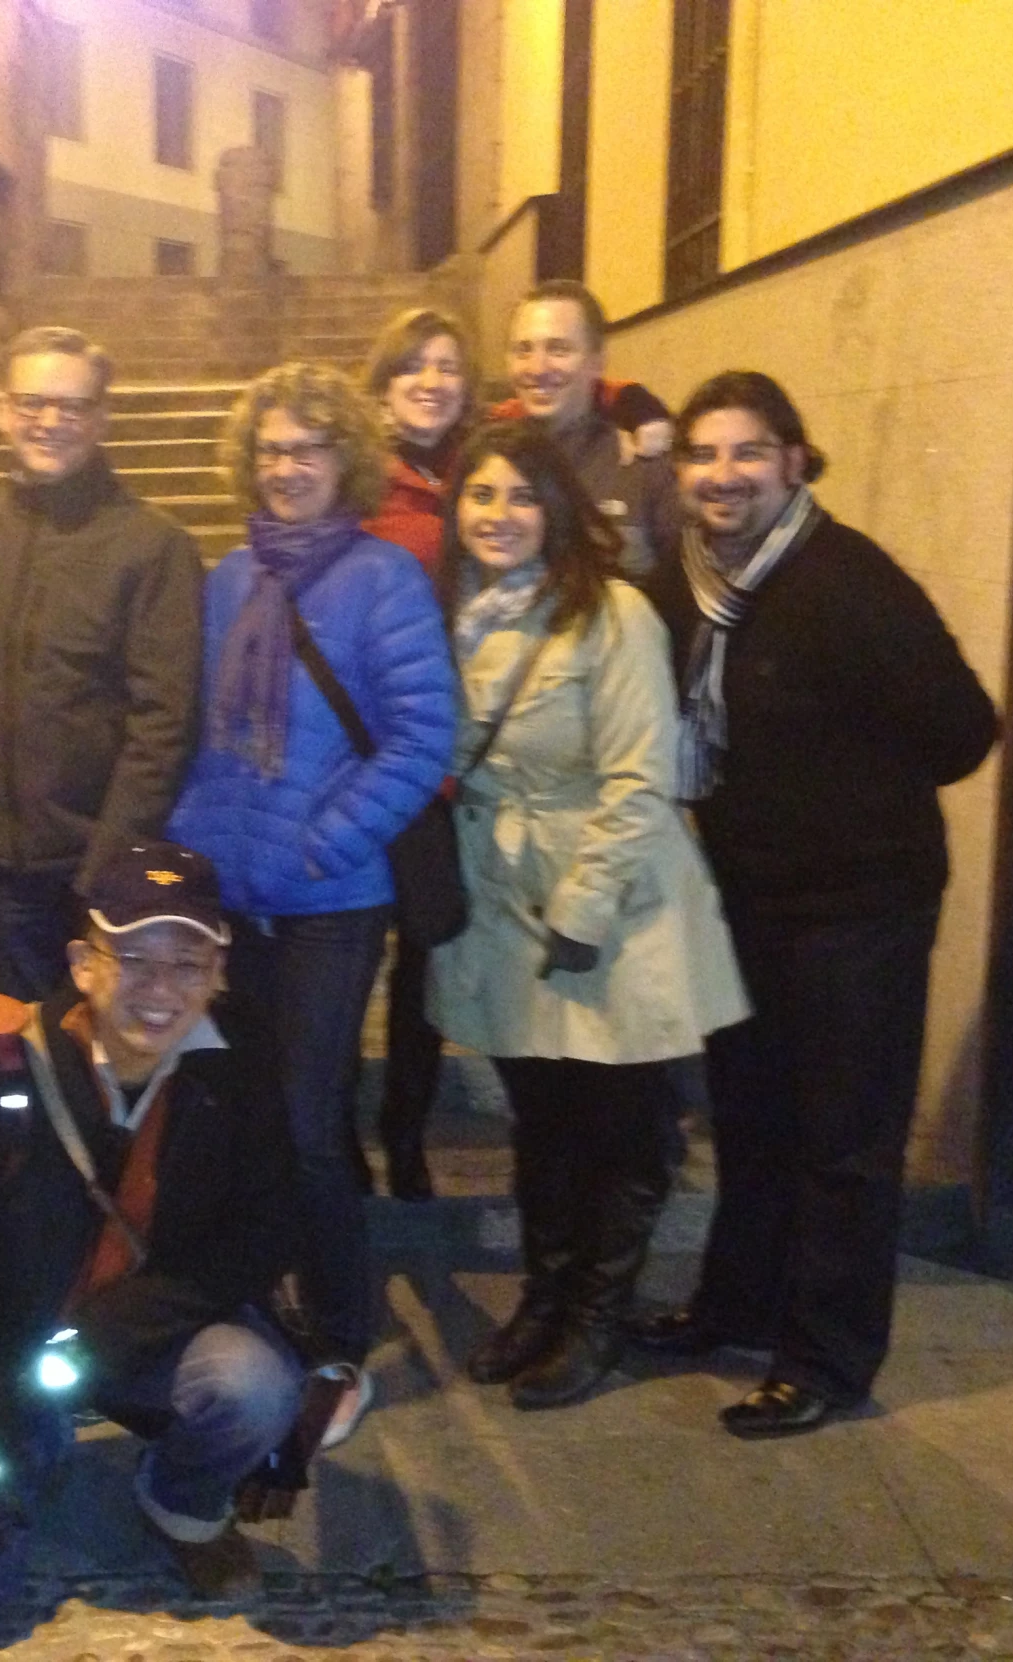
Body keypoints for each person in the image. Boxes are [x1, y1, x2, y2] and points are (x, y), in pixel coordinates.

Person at [626, 372, 998, 1437]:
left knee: (842, 1137)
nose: (722, 474)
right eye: (702, 454)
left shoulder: (849, 582)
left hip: (859, 905)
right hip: (742, 899)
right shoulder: (677, 595)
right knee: (748, 1120)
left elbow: (963, 733)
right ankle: (733, 1306)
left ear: (792, 463)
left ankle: (824, 1357)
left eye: (748, 452)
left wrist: (847, 775)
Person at [0, 842, 304, 1648]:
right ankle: (27, 1456)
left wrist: (109, 1334)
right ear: (83, 963)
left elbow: (266, 1226)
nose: (161, 990)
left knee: (255, 1386)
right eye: (133, 957)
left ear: (219, 969)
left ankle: (180, 1503)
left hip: (133, 1336)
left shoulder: (240, 1061)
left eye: (187, 962)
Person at [426, 421, 747, 1409]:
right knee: (540, 1118)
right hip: (497, 902)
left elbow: (638, 775)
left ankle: (594, 1320)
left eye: (520, 496)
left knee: (619, 1122)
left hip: (611, 903)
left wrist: (584, 906)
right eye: (479, 495)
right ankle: (544, 1297)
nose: (498, 515)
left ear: (557, 508)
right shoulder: (449, 617)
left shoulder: (610, 614)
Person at [168, 362, 457, 1436]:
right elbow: (207, 742)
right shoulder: (224, 578)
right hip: (236, 898)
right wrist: (194, 865)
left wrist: (324, 840)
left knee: (307, 1114)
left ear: (346, 460)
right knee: (251, 1113)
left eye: (306, 448)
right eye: (270, 449)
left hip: (332, 897)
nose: (285, 468)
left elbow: (424, 735)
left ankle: (341, 1336)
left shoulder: (381, 578)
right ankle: (269, 1290)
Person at [0, 326, 204, 1000]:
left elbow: (165, 720)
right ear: (2, 411)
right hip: (0, 868)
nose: (50, 422)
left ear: (101, 417)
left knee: (103, 1062)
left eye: (72, 407)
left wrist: (110, 862)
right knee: (23, 1064)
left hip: (93, 867)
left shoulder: (152, 546)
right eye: (33, 402)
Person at [355, 307, 473, 1204]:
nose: (432, 381)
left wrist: (632, 404)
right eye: (413, 367)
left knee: (428, 951)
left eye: (447, 365)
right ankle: (337, 1132)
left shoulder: (486, 472)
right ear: (384, 384)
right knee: (356, 946)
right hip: (366, 755)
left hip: (450, 760)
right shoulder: (361, 484)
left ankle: (406, 1127)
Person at [492, 279, 680, 575]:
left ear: (597, 361)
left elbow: (690, 586)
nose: (538, 368)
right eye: (523, 350)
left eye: (559, 349)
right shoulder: (488, 462)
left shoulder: (643, 464)